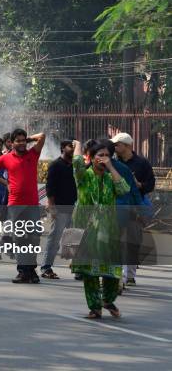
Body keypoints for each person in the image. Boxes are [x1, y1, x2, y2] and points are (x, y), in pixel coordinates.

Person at [71, 140, 129, 319]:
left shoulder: (111, 178)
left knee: (112, 271)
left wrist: (111, 167)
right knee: (90, 273)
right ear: (92, 157)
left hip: (108, 230)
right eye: (100, 155)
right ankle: (95, 307)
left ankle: (108, 299)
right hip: (88, 230)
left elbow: (124, 189)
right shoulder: (83, 176)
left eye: (107, 155)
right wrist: (78, 146)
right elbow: (77, 163)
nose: (104, 158)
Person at [0, 129, 46, 284]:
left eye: (23, 140)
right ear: (11, 143)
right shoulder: (5, 158)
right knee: (19, 239)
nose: (21, 143)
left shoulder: (33, 154)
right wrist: (6, 183)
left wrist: (28, 139)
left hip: (32, 203)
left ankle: (31, 270)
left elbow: (42, 136)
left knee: (34, 238)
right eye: (17, 141)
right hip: (15, 204)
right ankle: (22, 272)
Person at [112, 132, 155, 287]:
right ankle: (116, 277)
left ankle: (129, 275)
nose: (114, 147)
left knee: (132, 242)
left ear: (127, 145)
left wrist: (139, 185)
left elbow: (151, 184)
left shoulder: (142, 163)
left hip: (135, 208)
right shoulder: (112, 162)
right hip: (116, 207)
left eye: (117, 144)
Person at [40, 140, 77, 279]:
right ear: (63, 148)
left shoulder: (74, 166)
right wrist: (51, 206)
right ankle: (46, 267)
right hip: (60, 207)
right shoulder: (56, 165)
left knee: (74, 237)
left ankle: (76, 267)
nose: (73, 149)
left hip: (74, 206)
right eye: (70, 146)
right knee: (55, 238)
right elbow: (50, 187)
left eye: (74, 147)